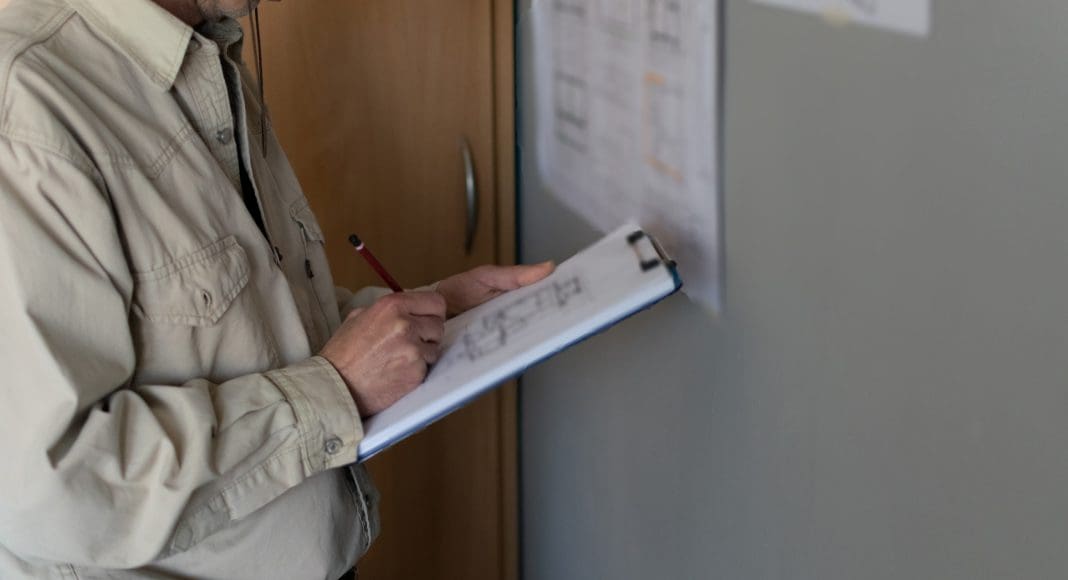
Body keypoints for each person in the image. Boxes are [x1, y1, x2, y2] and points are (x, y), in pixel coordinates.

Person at [0, 0, 553, 578]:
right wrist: (335, 390)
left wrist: (429, 313)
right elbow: (52, 488)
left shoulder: (207, 53)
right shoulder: (27, 112)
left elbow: (249, 326)